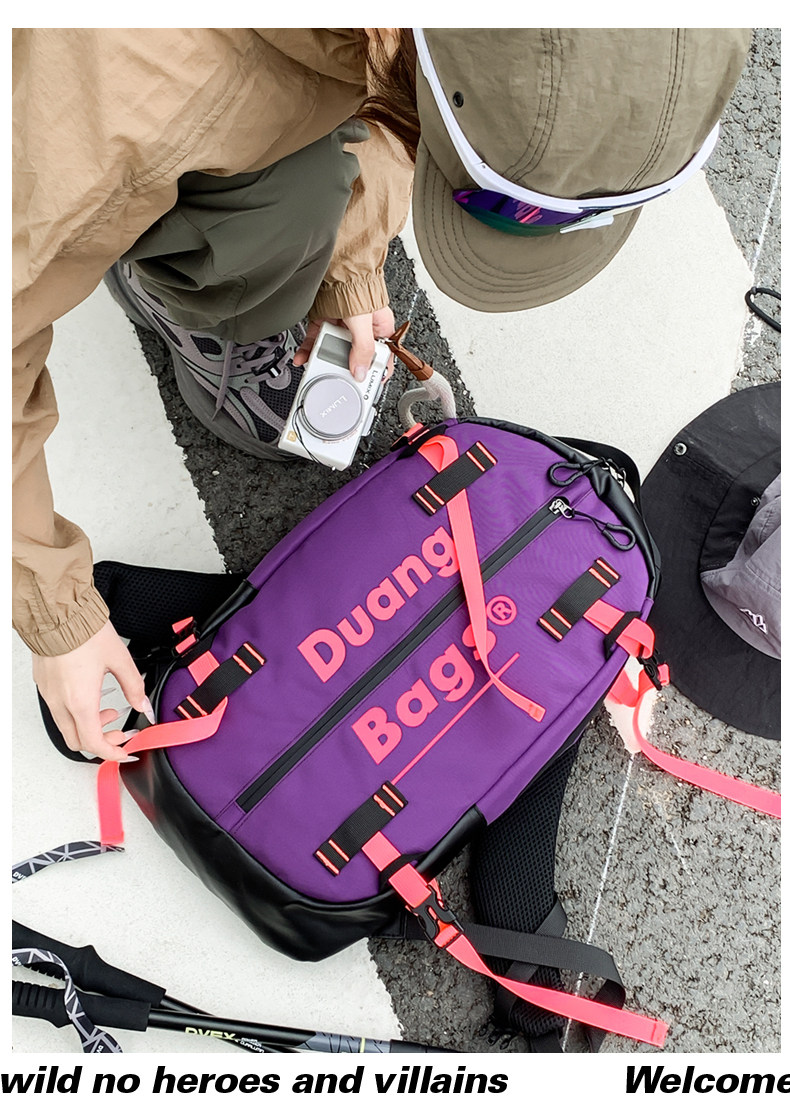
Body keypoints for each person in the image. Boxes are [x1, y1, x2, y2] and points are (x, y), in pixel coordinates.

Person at [12, 28, 751, 762]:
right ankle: (181, 288)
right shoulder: (113, 131)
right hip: (88, 138)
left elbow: (394, 72)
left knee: (301, 184)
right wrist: (56, 614)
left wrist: (351, 263)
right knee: (272, 209)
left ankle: (241, 250)